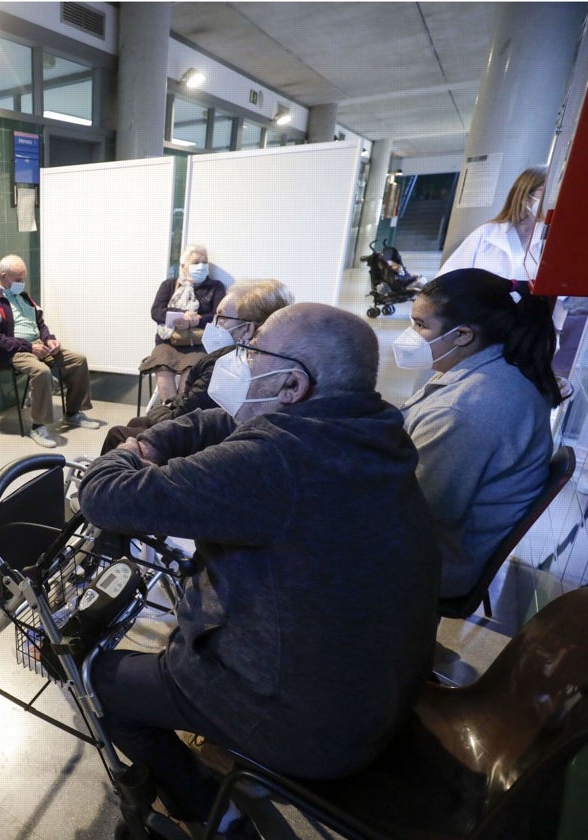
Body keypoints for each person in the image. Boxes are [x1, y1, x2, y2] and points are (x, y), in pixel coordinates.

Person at [79, 303, 441, 831]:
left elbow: (102, 494)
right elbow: (233, 419)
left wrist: (135, 447)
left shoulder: (277, 460)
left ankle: (205, 808)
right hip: (380, 696)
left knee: (97, 679)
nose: (241, 365)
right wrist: (163, 437)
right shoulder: (371, 427)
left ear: (293, 385)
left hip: (307, 727)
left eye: (253, 356)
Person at [394, 268, 562, 598]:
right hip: (441, 546)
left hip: (431, 566)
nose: (410, 334)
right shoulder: (491, 366)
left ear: (463, 334)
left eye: (421, 325)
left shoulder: (466, 409)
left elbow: (413, 510)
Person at [99, 279, 293, 455]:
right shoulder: (277, 367)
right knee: (136, 422)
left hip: (201, 447)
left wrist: (163, 408)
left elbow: (181, 420)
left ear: (248, 328)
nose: (214, 325)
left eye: (221, 318)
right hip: (219, 440)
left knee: (118, 434)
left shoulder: (226, 367)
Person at [0, 254, 98, 448]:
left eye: (24, 278)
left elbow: (40, 322)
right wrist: (29, 347)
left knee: (78, 360)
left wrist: (50, 339)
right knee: (41, 372)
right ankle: (38, 426)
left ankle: (73, 413)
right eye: (18, 279)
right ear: (3, 277)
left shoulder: (24, 297)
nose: (22, 283)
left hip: (36, 344)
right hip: (12, 352)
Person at [140, 245, 227, 403]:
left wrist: (198, 319)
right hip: (168, 341)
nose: (201, 266)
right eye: (196, 262)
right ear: (183, 266)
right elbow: (156, 311)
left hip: (198, 343)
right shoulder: (169, 285)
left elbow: (219, 315)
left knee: (192, 370)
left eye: (204, 262)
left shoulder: (216, 287)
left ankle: (180, 410)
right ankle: (168, 410)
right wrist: (181, 316)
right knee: (162, 367)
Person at [439, 166, 546, 283]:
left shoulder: (553, 238)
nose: (553, 198)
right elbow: (446, 280)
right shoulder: (486, 234)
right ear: (524, 196)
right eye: (545, 191)